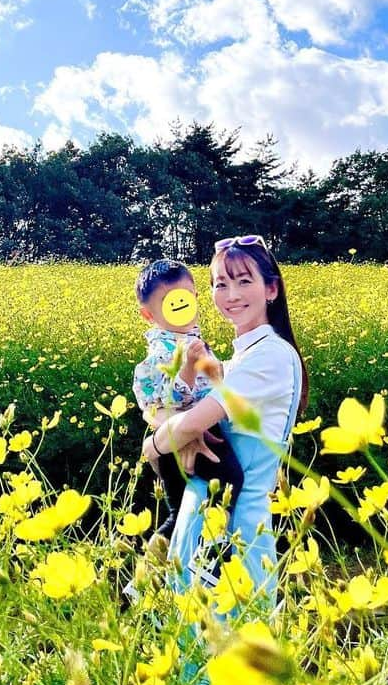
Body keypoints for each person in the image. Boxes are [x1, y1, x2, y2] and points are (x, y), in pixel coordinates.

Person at [143, 236, 308, 607]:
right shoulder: (234, 363)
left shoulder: (269, 357)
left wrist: (150, 446)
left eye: (243, 281)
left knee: (230, 644)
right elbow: (176, 415)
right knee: (194, 648)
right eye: (220, 283)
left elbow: (186, 425)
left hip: (237, 529)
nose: (231, 293)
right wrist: (175, 428)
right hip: (207, 519)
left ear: (271, 289)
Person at [132, 259, 244, 545]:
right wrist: (188, 370)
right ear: (148, 315)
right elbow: (165, 401)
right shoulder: (162, 351)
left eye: (186, 299)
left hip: (187, 430)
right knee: (228, 480)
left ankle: (162, 569)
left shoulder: (190, 340)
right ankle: (212, 550)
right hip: (176, 437)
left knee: (183, 509)